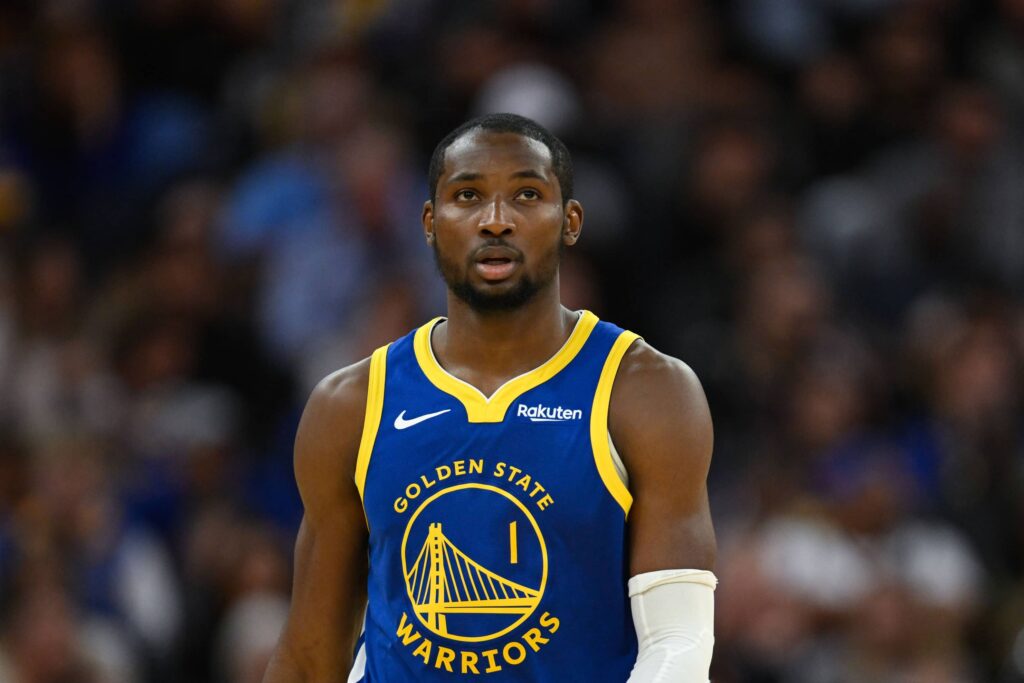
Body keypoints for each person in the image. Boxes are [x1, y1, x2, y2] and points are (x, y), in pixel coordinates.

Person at [261, 113, 717, 682]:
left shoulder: (646, 390)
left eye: (527, 194)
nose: (495, 220)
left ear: (570, 221)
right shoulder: (351, 404)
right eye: (468, 196)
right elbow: (309, 659)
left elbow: (679, 644)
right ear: (430, 222)